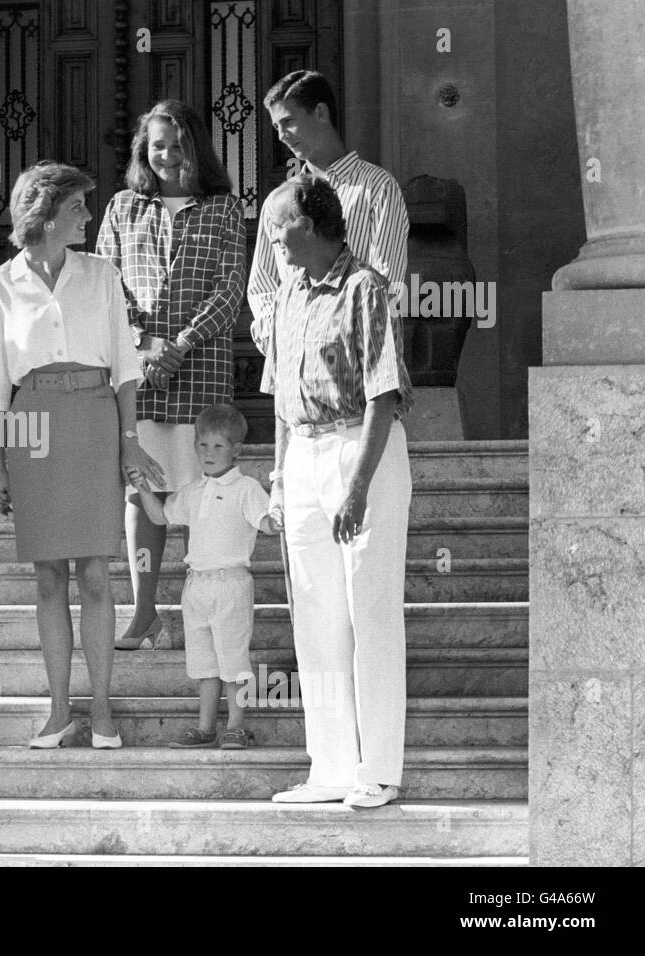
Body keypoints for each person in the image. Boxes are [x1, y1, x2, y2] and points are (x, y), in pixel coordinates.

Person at [0, 161, 163, 750]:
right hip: (32, 423)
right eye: (79, 206)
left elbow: (127, 367)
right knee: (49, 577)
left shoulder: (102, 275)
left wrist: (129, 439)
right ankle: (59, 709)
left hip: (92, 417)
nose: (88, 214)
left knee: (95, 575)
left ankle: (102, 708)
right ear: (48, 213)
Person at [257, 175, 414, 808]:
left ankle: (377, 771)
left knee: (369, 610)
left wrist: (357, 487)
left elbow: (385, 393)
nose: (271, 240)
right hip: (303, 455)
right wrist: (277, 477)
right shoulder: (287, 295)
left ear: (315, 224)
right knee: (316, 618)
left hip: (361, 452)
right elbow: (279, 399)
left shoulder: (365, 287)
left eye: (279, 226)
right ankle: (329, 768)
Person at [96, 99, 246, 651]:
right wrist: (142, 343)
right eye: (156, 144)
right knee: (143, 494)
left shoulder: (224, 210)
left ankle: (204, 610)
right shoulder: (121, 209)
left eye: (177, 144)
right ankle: (144, 612)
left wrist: (179, 345)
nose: (166, 155)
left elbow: (231, 290)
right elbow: (106, 285)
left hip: (201, 371)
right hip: (141, 377)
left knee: (205, 493)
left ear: (197, 147)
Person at [132, 405, 279, 749]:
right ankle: (205, 726)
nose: (208, 454)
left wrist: (282, 515)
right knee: (204, 662)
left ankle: (237, 725)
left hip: (231, 584)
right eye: (202, 446)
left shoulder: (246, 488)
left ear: (236, 450)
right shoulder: (192, 490)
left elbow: (267, 523)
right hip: (196, 584)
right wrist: (141, 487)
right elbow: (158, 516)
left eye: (218, 446)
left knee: (233, 659)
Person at [246, 70, 408, 361]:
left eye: (288, 122)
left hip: (355, 357)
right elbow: (263, 285)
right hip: (293, 361)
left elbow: (388, 278)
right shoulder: (277, 202)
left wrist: (348, 339)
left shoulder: (377, 187)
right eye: (276, 126)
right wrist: (280, 338)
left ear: (320, 112)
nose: (281, 135)